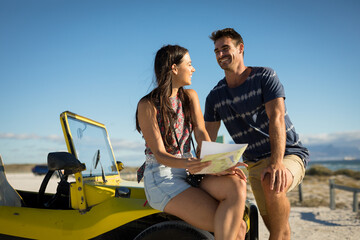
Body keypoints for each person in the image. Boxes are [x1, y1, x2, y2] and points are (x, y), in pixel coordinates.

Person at [204, 28, 310, 240]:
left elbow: (277, 118)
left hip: (288, 153)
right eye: (216, 51)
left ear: (240, 48)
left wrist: (277, 162)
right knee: (276, 227)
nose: (220, 55)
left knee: (272, 179)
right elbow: (207, 139)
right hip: (252, 162)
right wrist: (214, 169)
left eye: (225, 48)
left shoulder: (265, 76)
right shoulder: (214, 96)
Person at [136, 44, 248, 240]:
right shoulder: (147, 105)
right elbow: (160, 154)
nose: (193, 68)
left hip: (191, 170)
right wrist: (197, 164)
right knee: (236, 228)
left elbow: (201, 133)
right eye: (189, 64)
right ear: (174, 68)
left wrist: (216, 163)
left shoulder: (190, 96)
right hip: (163, 177)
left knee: (237, 184)